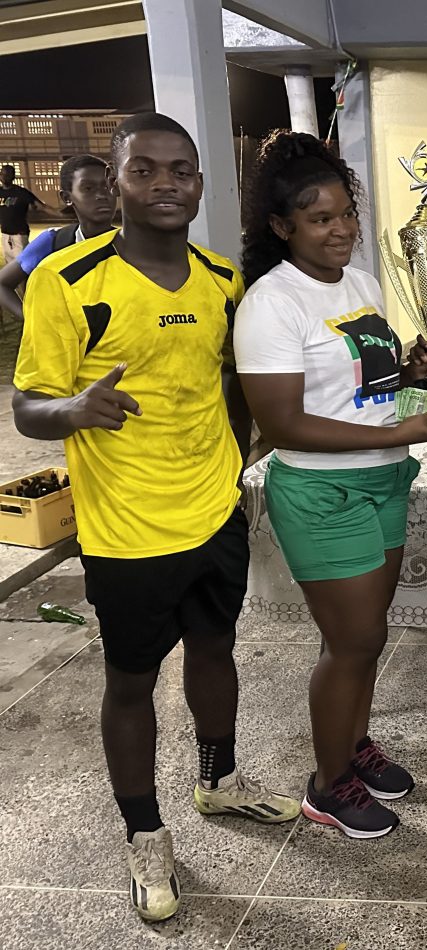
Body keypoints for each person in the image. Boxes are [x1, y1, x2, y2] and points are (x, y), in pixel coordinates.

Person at [11, 112, 299, 924]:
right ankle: (145, 836)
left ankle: (218, 782)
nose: (166, 183)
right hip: (127, 529)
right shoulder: (67, 282)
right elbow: (28, 405)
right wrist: (74, 409)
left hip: (214, 512)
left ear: (202, 182)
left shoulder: (221, 279)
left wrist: (243, 462)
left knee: (216, 648)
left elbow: (233, 389)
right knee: (131, 683)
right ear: (115, 181)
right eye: (146, 170)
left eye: (182, 170)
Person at [234, 130, 427, 839]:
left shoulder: (361, 283)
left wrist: (416, 375)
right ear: (281, 226)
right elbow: (283, 422)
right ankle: (326, 787)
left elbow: (365, 388)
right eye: (320, 218)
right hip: (323, 493)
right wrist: (394, 434)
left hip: (382, 481)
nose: (341, 229)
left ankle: (351, 750)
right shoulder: (271, 302)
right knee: (348, 642)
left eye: (346, 214)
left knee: (369, 636)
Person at [0, 154, 115, 320]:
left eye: (107, 186)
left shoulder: (133, 243)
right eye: (88, 188)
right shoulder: (54, 241)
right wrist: (32, 320)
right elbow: (3, 284)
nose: (101, 195)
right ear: (67, 197)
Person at [0, 162, 44, 265]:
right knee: (10, 266)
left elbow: (40, 206)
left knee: (23, 265)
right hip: (5, 235)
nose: (4, 177)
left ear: (13, 176)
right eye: (2, 174)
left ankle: (29, 281)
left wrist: (60, 214)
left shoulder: (21, 192)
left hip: (19, 235)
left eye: (8, 174)